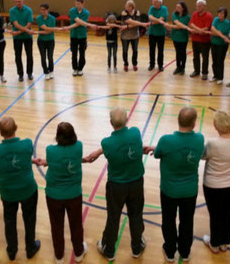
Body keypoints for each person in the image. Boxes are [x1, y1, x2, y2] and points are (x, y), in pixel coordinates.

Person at [84, 107, 148, 261]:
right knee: (136, 214)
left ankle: (109, 250)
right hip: (136, 184)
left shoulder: (107, 143)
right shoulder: (135, 133)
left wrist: (99, 151)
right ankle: (137, 247)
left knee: (113, 217)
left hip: (116, 187)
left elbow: (110, 146)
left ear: (111, 123)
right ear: (127, 120)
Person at [151, 107, 204, 262]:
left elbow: (157, 154)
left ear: (178, 120)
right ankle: (185, 252)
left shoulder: (166, 140)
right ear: (194, 124)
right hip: (190, 191)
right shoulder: (199, 138)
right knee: (187, 221)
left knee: (168, 220)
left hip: (169, 190)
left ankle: (169, 251)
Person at [0, 117, 41, 261]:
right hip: (28, 190)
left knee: (10, 220)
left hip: (8, 192)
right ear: (16, 128)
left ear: (1, 133)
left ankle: (12, 251)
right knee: (30, 219)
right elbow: (20, 155)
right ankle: (30, 248)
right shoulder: (27, 144)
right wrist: (32, 160)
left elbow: (9, 158)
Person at [41, 122, 87, 264]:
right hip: (74, 195)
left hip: (54, 196)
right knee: (76, 225)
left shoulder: (50, 150)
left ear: (58, 136)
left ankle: (59, 256)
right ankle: (79, 252)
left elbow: (52, 161)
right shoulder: (78, 146)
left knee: (56, 226)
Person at [202, 111, 230, 254]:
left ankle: (214, 243)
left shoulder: (213, 143)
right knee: (228, 214)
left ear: (216, 125)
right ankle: (224, 243)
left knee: (216, 215)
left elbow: (203, 156)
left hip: (215, 185)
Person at [65, 0, 97, 76]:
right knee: (74, 53)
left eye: (78, 4)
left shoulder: (86, 12)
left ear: (82, 4)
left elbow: (80, 23)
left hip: (82, 36)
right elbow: (78, 21)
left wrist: (68, 27)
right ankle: (75, 69)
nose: (77, 5)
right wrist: (90, 25)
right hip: (74, 35)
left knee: (82, 53)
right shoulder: (72, 11)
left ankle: (80, 69)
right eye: (76, 4)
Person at [9, 0, 35, 81]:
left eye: (19, 1)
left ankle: (30, 73)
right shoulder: (12, 11)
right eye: (16, 2)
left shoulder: (28, 10)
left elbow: (29, 23)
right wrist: (25, 31)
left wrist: (21, 31)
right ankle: (20, 74)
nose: (17, 3)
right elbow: (15, 24)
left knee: (29, 55)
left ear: (23, 1)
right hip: (17, 38)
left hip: (27, 37)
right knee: (18, 56)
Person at [35, 3, 63, 80]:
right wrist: (55, 29)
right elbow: (46, 28)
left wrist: (37, 32)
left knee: (50, 57)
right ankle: (46, 72)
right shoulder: (38, 18)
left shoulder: (52, 18)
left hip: (50, 40)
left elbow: (48, 32)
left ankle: (51, 71)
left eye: (44, 10)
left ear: (47, 10)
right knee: (43, 57)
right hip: (41, 41)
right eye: (41, 10)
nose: (42, 11)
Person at [120, 0, 148, 72]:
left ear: (132, 7)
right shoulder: (124, 12)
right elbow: (129, 21)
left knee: (135, 50)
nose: (126, 7)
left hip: (135, 35)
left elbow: (136, 23)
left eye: (128, 6)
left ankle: (134, 64)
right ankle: (126, 64)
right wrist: (142, 24)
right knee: (125, 51)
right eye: (126, 6)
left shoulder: (137, 12)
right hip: (125, 36)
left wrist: (126, 27)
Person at [164, 1, 191, 75]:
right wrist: (185, 27)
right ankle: (178, 67)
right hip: (175, 36)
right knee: (177, 52)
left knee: (183, 53)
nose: (177, 8)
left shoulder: (187, 16)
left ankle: (183, 68)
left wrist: (169, 26)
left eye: (179, 7)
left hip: (183, 37)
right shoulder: (174, 14)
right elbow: (177, 23)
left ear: (183, 8)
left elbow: (179, 26)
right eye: (177, 7)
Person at [189, 0, 213, 80]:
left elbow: (207, 28)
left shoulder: (209, 16)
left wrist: (197, 30)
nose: (198, 7)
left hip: (205, 40)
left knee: (205, 57)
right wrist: (200, 31)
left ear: (204, 6)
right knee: (195, 57)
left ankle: (205, 73)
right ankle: (196, 71)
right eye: (197, 6)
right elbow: (191, 24)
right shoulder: (194, 14)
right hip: (195, 39)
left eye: (200, 6)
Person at [210, 7, 230, 84]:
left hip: (222, 45)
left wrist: (216, 32)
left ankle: (220, 77)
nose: (220, 15)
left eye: (222, 13)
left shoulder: (226, 22)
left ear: (225, 14)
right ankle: (215, 76)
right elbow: (212, 29)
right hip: (213, 43)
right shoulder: (216, 19)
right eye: (219, 13)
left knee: (220, 61)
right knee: (214, 60)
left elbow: (214, 31)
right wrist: (221, 35)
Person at [148, 0, 169, 71]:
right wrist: (158, 21)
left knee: (160, 50)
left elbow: (162, 18)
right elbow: (150, 17)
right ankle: (151, 64)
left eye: (155, 2)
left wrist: (155, 21)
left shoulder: (164, 9)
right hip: (152, 32)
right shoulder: (151, 8)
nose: (154, 3)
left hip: (161, 33)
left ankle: (160, 65)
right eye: (153, 1)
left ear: (160, 2)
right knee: (151, 49)